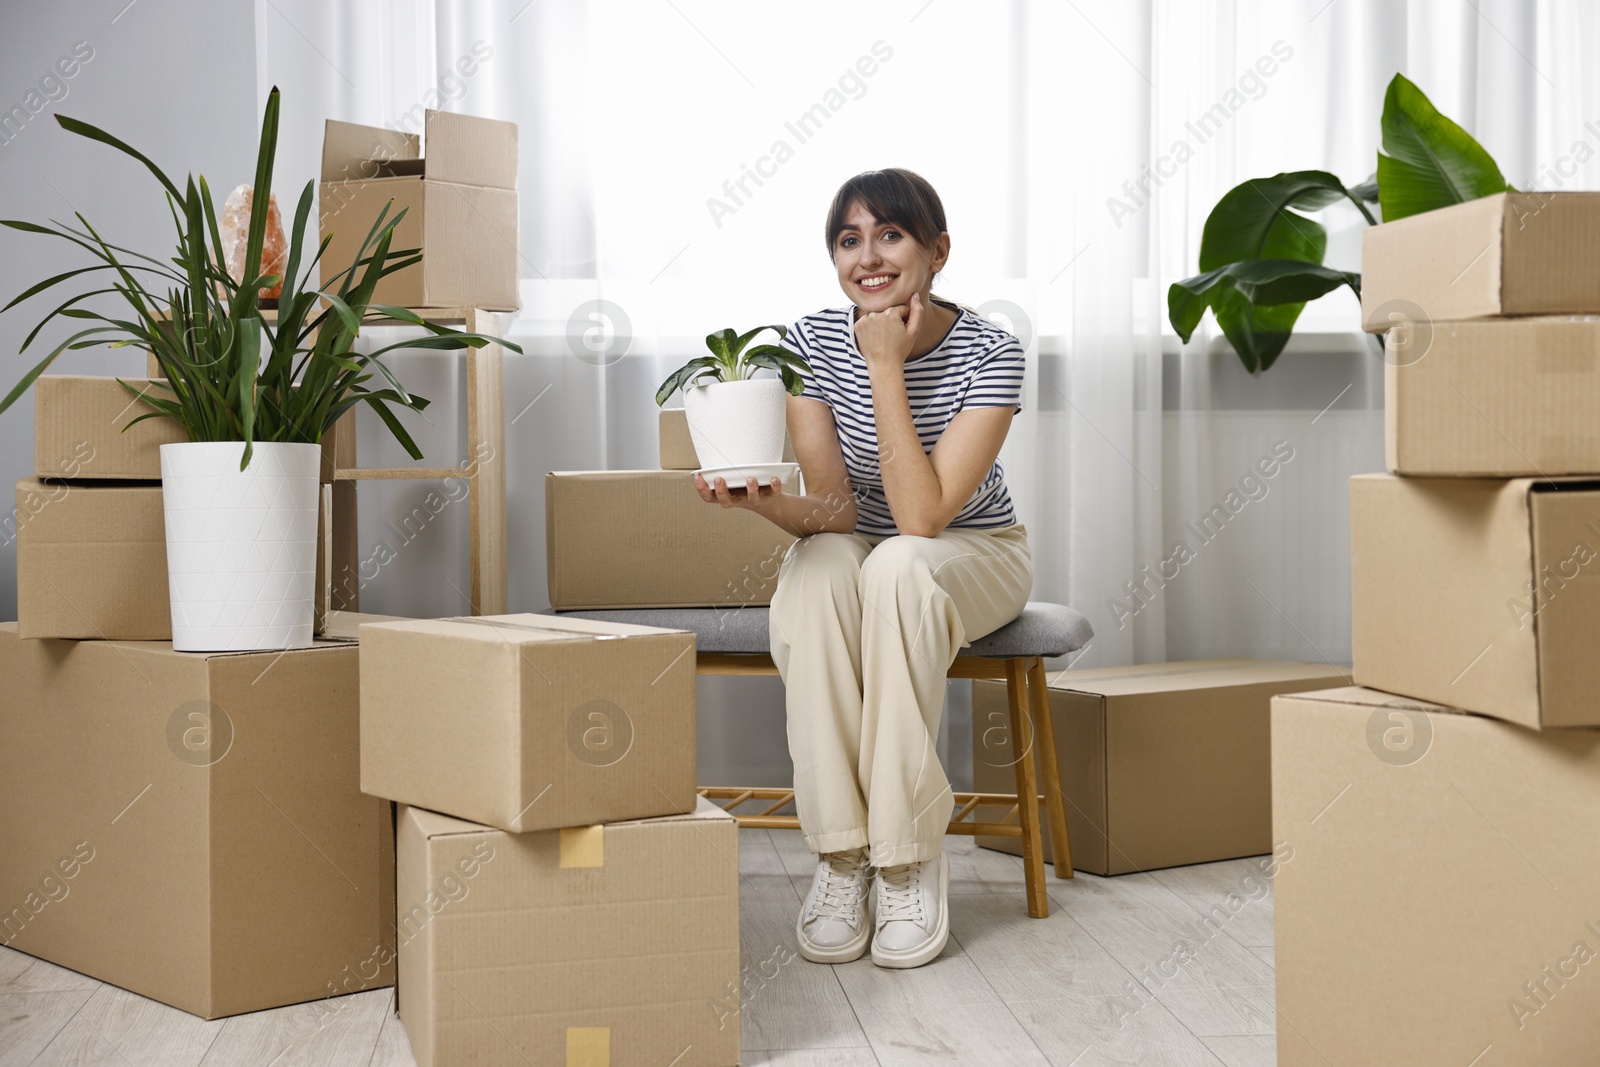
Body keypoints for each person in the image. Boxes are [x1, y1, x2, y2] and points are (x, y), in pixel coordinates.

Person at [691, 167, 1032, 969]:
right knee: (817, 569)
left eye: (891, 235)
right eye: (849, 240)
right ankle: (844, 855)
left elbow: (922, 518)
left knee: (901, 567)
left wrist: (885, 364)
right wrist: (759, 500)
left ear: (937, 250)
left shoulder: (994, 349)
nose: (868, 257)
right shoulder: (808, 342)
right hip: (865, 551)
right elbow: (836, 511)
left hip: (972, 552)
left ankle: (907, 856)